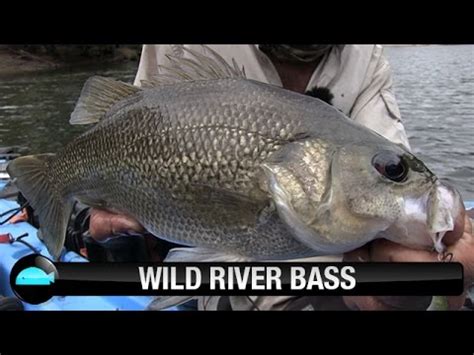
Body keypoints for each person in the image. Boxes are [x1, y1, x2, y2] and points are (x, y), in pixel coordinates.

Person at [89, 45, 474, 310]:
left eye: (392, 171)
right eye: (392, 171)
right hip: (227, 249)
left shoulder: (367, 57)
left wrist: (414, 264)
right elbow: (132, 123)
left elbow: (379, 168)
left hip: (324, 244)